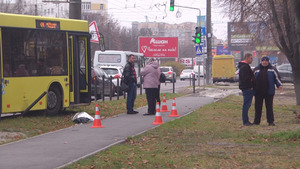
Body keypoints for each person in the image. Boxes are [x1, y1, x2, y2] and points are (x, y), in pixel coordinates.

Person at [253, 56, 283, 126]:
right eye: (263, 61)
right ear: (261, 61)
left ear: (268, 62)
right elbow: (252, 79)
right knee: (257, 107)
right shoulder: (256, 69)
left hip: (269, 91)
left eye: (266, 61)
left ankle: (270, 121)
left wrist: (279, 85)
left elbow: (277, 78)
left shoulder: (272, 69)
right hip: (258, 92)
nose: (264, 62)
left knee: (269, 107)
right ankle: (256, 121)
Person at [238, 53, 255, 126]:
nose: (252, 60)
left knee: (247, 104)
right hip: (247, 88)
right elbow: (246, 78)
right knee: (246, 105)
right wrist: (251, 85)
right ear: (247, 58)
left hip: (247, 88)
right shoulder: (244, 67)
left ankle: (246, 120)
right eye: (251, 58)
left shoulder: (245, 66)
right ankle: (245, 121)